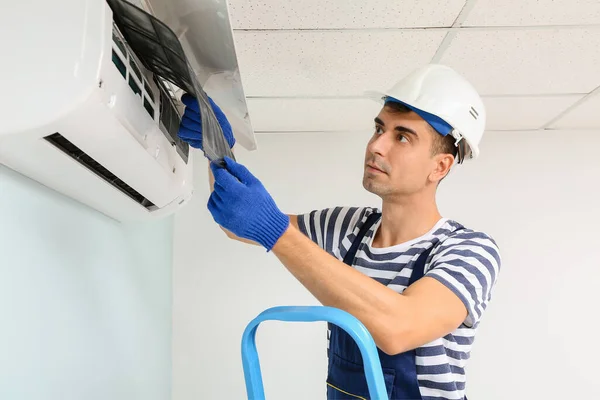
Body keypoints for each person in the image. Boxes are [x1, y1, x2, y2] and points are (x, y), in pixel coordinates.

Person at [177, 64, 501, 400]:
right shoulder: (348, 228)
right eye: (379, 129)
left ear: (441, 166)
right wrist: (217, 152)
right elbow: (241, 225)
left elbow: (398, 328)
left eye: (402, 136)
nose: (377, 145)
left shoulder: (468, 251)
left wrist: (275, 230)